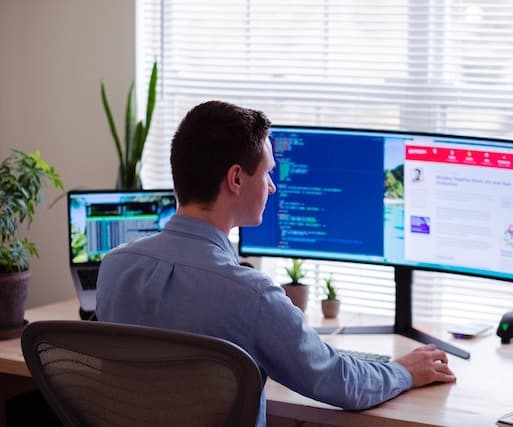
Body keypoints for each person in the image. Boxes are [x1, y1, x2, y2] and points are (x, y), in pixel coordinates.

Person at [96, 100, 456, 426]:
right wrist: (405, 371)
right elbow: (338, 381)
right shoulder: (250, 294)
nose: (272, 188)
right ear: (236, 179)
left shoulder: (114, 268)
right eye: (267, 173)